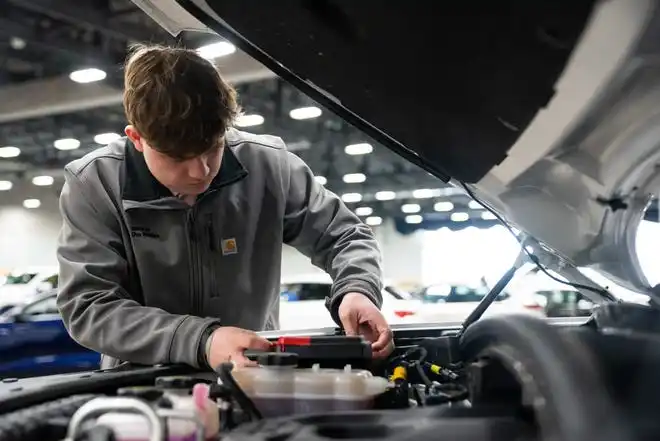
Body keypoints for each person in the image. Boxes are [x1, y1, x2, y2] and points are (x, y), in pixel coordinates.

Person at [56, 44, 394, 370]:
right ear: (137, 138)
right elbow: (89, 306)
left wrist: (356, 290)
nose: (200, 171)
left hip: (256, 373)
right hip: (142, 383)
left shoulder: (269, 166)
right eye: (177, 158)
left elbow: (345, 235)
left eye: (212, 148)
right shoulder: (95, 184)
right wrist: (201, 340)